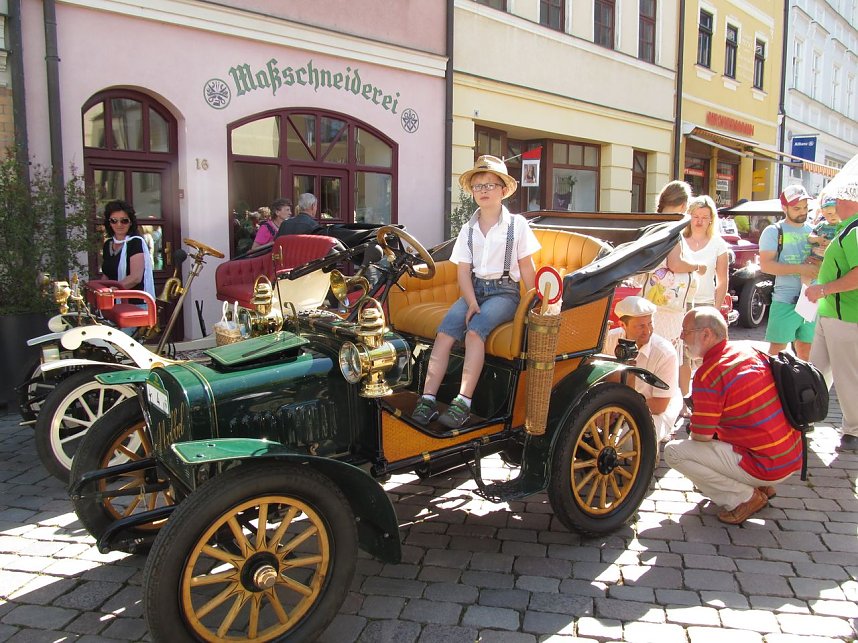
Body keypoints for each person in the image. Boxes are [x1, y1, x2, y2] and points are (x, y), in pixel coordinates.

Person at [411, 155, 540, 428]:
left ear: (503, 190)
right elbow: (462, 271)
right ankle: (428, 398)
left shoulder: (517, 225)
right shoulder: (468, 229)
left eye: (489, 185)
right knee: (444, 334)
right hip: (475, 289)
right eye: (477, 186)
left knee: (474, 332)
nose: (483, 191)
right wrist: (470, 301)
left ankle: (463, 401)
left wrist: (533, 302)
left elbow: (527, 267)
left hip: (505, 293)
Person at [664, 307, 803, 524]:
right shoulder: (749, 351)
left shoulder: (710, 373)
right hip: (791, 456)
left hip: (765, 464)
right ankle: (761, 486)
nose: (682, 336)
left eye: (686, 331)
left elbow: (701, 436)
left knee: (674, 452)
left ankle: (744, 498)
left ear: (706, 334)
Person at [805, 178, 858, 452]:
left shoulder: (854, 230)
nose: (834, 202)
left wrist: (823, 289)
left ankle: (854, 430)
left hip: (846, 316)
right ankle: (808, 415)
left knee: (846, 374)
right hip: (832, 313)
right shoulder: (847, 228)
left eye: (839, 197)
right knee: (817, 370)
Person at [602, 296, 682, 442]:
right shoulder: (609, 340)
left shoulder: (664, 352)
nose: (647, 331)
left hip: (658, 408)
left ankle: (660, 435)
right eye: (640, 326)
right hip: (621, 404)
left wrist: (620, 407)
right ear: (622, 325)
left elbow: (660, 405)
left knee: (630, 443)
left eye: (650, 324)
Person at [643, 181, 707, 357]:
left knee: (651, 351)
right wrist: (696, 266)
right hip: (667, 305)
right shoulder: (671, 227)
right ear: (684, 205)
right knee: (665, 353)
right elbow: (675, 263)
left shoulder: (654, 224)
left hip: (652, 297)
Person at [758, 185, 819, 361]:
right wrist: (801, 268)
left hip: (811, 298)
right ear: (784, 208)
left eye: (805, 207)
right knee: (776, 353)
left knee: (807, 351)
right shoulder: (773, 231)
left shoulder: (814, 231)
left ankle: (803, 387)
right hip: (785, 299)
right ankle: (775, 387)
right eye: (797, 208)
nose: (802, 212)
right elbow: (766, 266)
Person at [679, 195, 730, 395]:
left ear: (711, 219)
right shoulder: (680, 240)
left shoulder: (718, 243)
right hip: (682, 302)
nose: (699, 221)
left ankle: (704, 397)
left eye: (705, 217)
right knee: (683, 353)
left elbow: (722, 280)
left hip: (705, 303)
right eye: (696, 216)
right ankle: (684, 397)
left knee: (706, 355)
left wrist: (715, 310)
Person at [100, 199, 155, 305]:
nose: (119, 224)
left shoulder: (135, 243)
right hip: (111, 302)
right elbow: (107, 274)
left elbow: (135, 278)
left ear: (130, 222)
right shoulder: (108, 244)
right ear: (109, 223)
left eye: (124, 220)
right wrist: (99, 289)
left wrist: (112, 290)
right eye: (114, 220)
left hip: (134, 304)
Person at [808, 194, 841, 263]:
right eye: (829, 213)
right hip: (817, 257)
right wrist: (817, 239)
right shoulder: (821, 225)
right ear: (823, 213)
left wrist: (831, 243)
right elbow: (810, 238)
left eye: (836, 212)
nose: (833, 216)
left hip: (833, 260)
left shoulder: (842, 226)